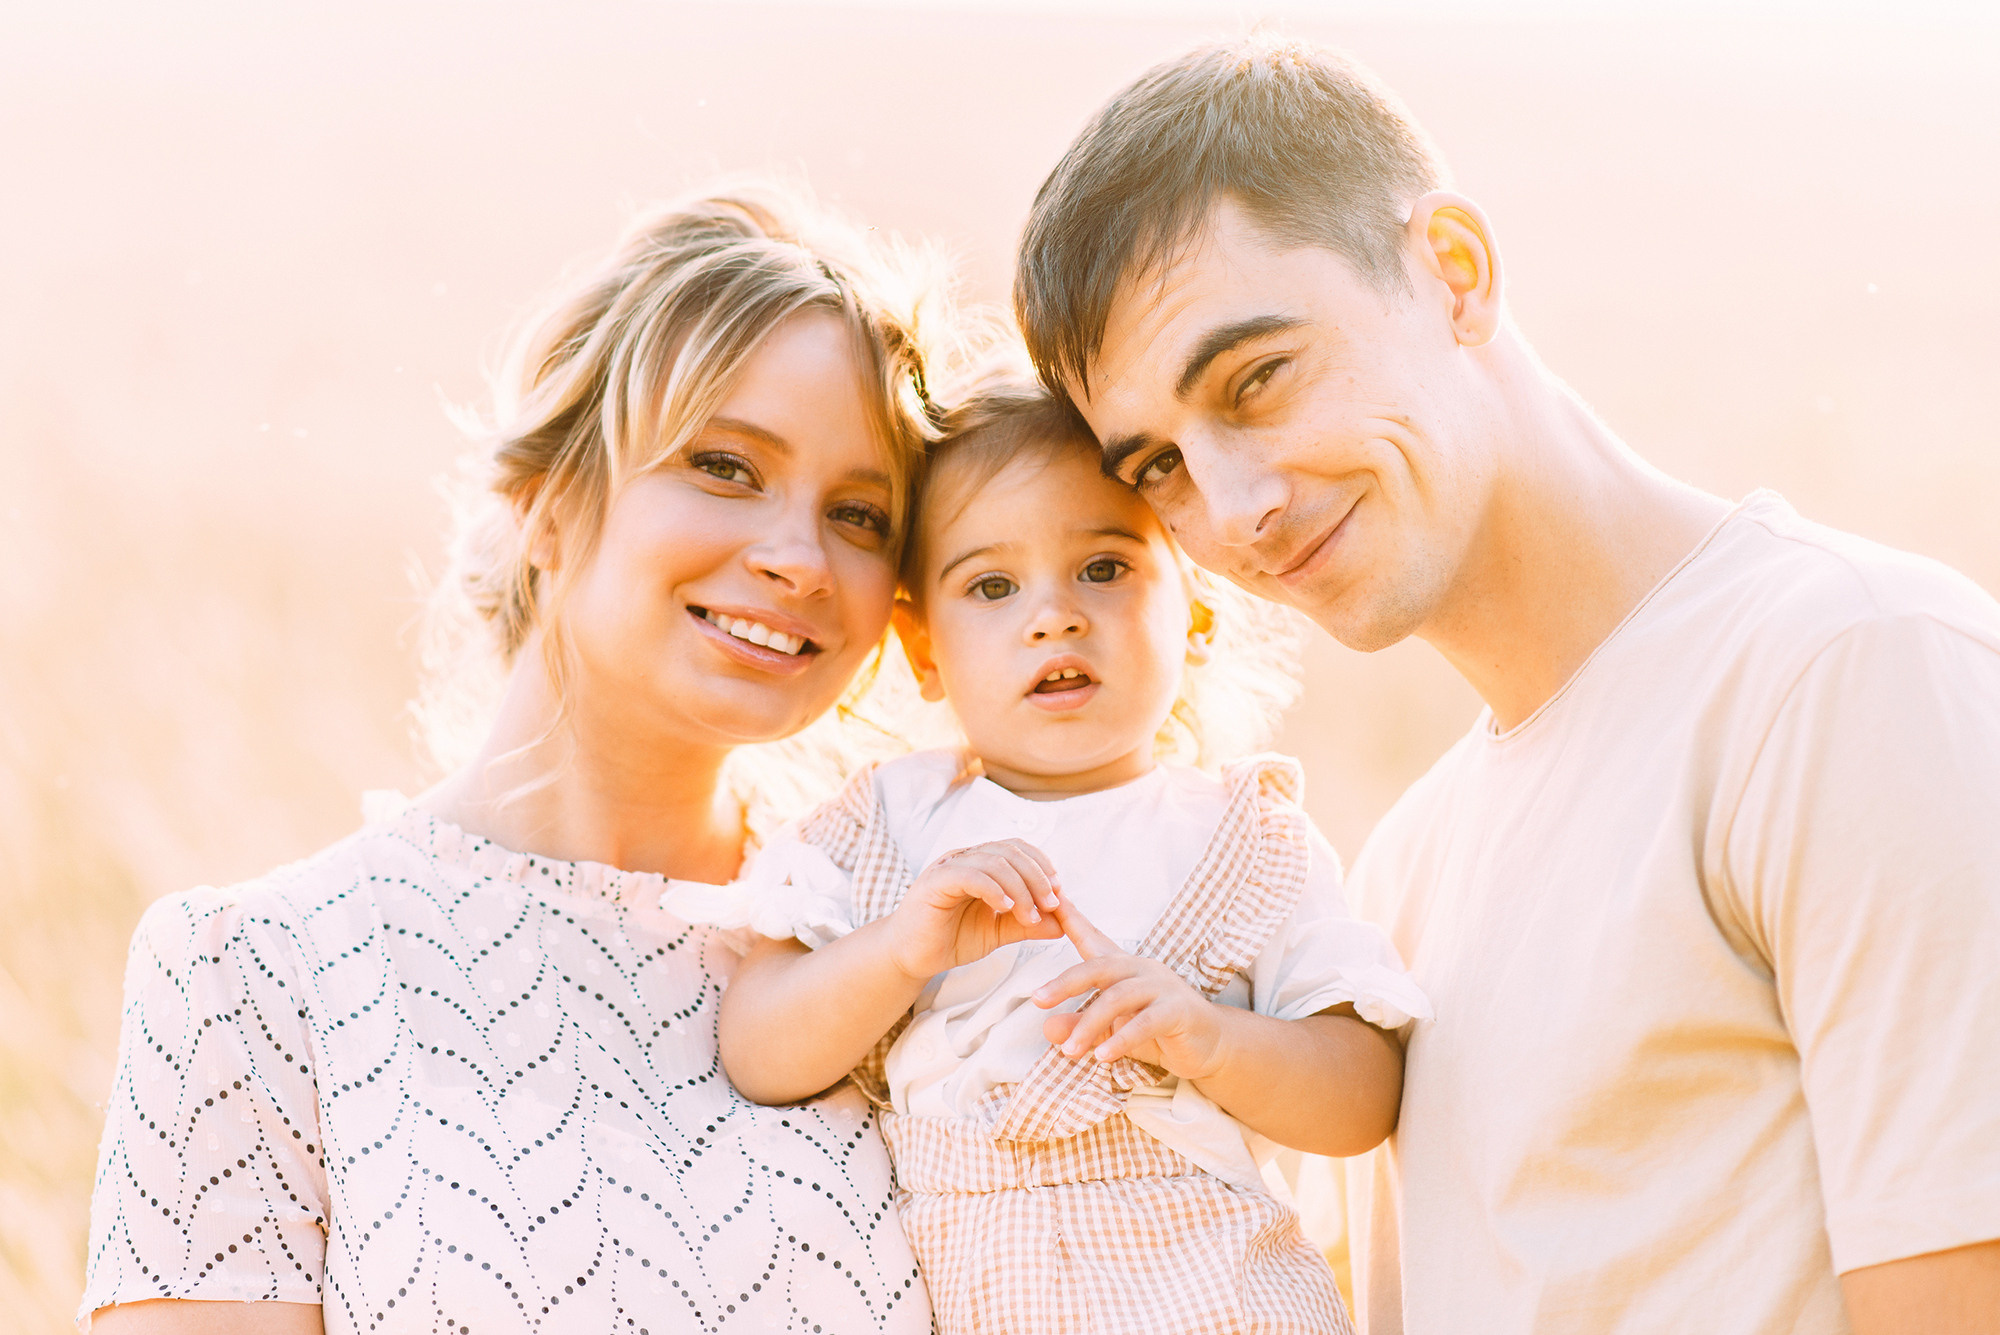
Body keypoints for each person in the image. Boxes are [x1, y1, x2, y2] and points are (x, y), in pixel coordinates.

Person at [1011, 35, 2000, 1335]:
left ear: (1453, 273)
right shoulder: (1396, 879)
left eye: (1257, 379)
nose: (1233, 508)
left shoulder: (1850, 671)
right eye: (1160, 469)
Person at [80, 188, 942, 1333]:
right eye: (727, 467)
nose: (800, 558)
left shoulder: (903, 947)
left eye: (861, 515)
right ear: (546, 500)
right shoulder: (253, 971)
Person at [683, 372, 1430, 1335]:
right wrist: (899, 949)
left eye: (1104, 568)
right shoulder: (891, 824)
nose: (1053, 616)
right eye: (992, 586)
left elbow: (1364, 1097)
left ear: (1197, 610)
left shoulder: (1245, 836)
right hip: (977, 1277)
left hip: (1215, 1284)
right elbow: (755, 1049)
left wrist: (1210, 1037)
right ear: (923, 647)